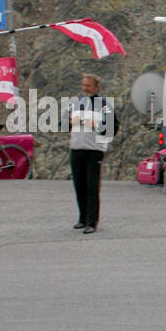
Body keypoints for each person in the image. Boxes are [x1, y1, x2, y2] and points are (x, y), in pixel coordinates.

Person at [64, 74, 114, 234]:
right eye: (83, 85)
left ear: (96, 87)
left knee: (92, 186)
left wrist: (97, 125)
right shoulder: (74, 103)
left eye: (88, 86)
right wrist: (70, 122)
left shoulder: (105, 105)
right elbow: (62, 124)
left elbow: (113, 128)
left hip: (94, 150)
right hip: (77, 148)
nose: (85, 88)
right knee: (79, 185)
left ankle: (92, 222)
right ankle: (82, 218)